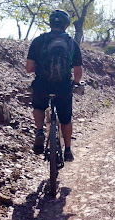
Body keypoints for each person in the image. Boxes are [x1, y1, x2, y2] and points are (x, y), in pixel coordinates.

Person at [25, 9, 83, 162]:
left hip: (42, 84)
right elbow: (78, 72)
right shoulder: (72, 43)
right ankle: (68, 150)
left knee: (38, 107)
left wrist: (41, 69)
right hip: (63, 87)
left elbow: (29, 68)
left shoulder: (38, 41)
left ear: (50, 24)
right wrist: (75, 83)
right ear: (66, 25)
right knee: (66, 119)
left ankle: (39, 131)